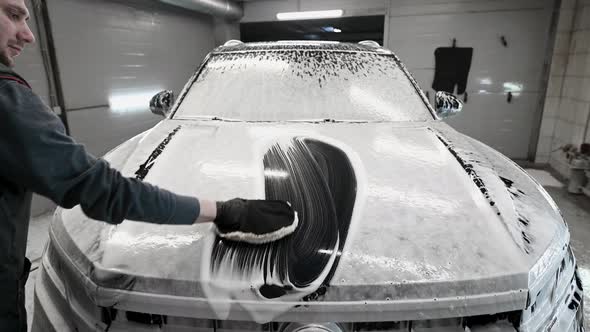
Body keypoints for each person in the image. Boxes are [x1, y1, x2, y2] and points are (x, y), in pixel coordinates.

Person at [0, 0, 297, 330]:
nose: (28, 35)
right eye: (13, 14)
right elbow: (102, 190)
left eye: (26, 18)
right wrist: (226, 210)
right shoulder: (7, 101)